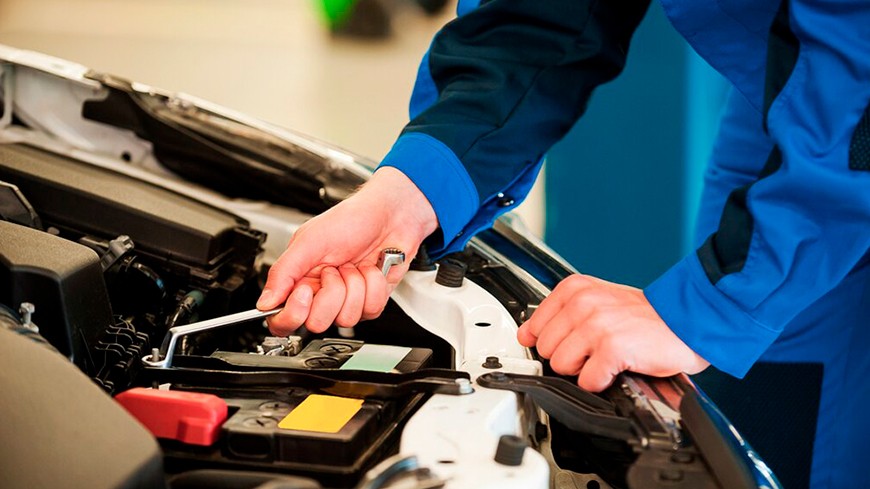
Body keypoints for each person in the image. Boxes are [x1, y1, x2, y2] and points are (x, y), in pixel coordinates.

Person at [256, 1, 870, 487]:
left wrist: (712, 306)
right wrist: (413, 189)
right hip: (792, 88)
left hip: (848, 103)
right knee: (768, 425)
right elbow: (538, 15)